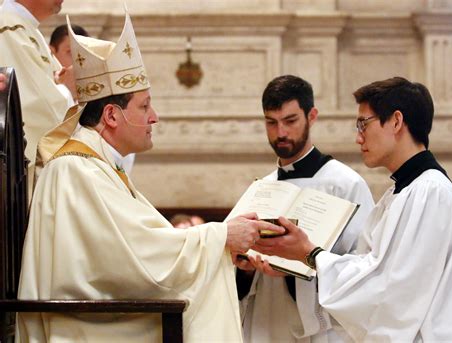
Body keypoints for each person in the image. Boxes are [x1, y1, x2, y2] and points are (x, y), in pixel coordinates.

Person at [16, 11, 284, 342]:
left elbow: (142, 247)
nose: (154, 118)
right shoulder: (75, 170)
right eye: (145, 107)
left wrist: (223, 250)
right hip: (82, 329)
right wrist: (221, 237)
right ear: (112, 115)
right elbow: (130, 260)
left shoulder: (96, 166)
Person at [254, 77, 452, 341]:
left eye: (363, 124)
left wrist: (309, 254)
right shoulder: (401, 193)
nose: (358, 138)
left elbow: (389, 293)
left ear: (396, 121)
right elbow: (373, 270)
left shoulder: (429, 192)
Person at [234, 75, 375, 342]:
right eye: (271, 123)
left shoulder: (345, 184)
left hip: (325, 329)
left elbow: (364, 266)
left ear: (311, 116)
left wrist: (296, 266)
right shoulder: (262, 188)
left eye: (290, 121)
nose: (281, 133)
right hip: (267, 321)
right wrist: (246, 268)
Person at [0, 0, 76, 198]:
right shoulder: (8, 29)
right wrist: (67, 89)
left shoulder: (28, 30)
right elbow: (35, 108)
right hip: (19, 181)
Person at [49, 22, 136, 174]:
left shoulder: (98, 94)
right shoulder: (46, 89)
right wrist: (66, 92)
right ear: (52, 52)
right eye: (70, 52)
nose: (77, 62)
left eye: (83, 55)